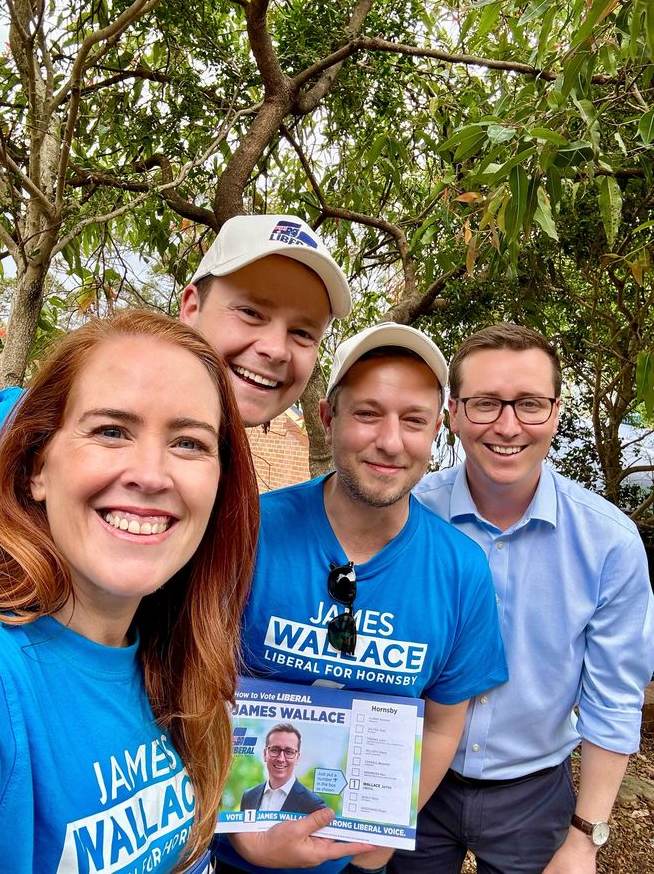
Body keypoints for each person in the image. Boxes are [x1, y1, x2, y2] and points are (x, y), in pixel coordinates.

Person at [0, 310, 261, 872]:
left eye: (188, 443)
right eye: (111, 431)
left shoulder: (174, 657)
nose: (152, 474)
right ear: (37, 465)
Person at [214, 323, 509, 874]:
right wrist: (239, 829)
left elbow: (445, 722)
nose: (391, 441)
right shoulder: (248, 530)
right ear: (328, 418)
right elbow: (191, 685)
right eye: (368, 413)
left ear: (438, 429)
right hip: (224, 852)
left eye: (414, 420)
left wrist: (384, 831)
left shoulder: (462, 571)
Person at [0, 213, 351, 561]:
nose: (276, 350)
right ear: (191, 307)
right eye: (251, 312)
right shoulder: (20, 430)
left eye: (302, 333)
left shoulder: (227, 495)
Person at [391, 323, 654, 874]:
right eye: (485, 403)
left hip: (533, 793)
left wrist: (585, 839)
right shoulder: (403, 516)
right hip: (409, 774)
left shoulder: (608, 542)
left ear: (556, 413)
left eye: (531, 404)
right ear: (454, 413)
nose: (508, 426)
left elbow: (614, 698)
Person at [240, 724, 327, 814]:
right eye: (275, 750)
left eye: (289, 752)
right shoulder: (248, 797)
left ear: (297, 758)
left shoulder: (313, 803)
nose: (281, 759)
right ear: (265, 754)